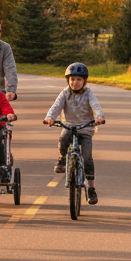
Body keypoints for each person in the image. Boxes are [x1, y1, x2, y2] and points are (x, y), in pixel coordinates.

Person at [43, 62, 106, 205]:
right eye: (72, 79)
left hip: (86, 129)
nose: (75, 82)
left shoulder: (89, 93)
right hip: (69, 126)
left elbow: (96, 106)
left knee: (88, 157)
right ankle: (62, 158)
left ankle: (91, 188)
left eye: (78, 79)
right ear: (68, 80)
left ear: (84, 81)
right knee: (64, 138)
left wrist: (99, 117)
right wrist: (50, 117)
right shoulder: (65, 93)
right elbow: (56, 106)